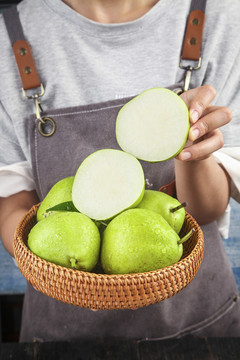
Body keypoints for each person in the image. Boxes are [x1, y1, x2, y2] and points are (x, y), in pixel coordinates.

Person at [0, 0, 240, 342]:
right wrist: (57, 269)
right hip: (61, 337)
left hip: (200, 331)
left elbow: (202, 212)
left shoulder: (221, 16)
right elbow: (12, 206)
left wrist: (191, 148)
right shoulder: (8, 37)